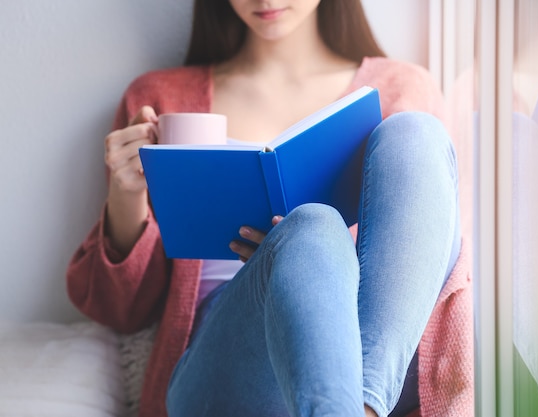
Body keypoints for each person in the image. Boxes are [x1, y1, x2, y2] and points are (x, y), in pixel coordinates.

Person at [66, 1, 462, 416]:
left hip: (369, 351)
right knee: (311, 226)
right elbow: (121, 312)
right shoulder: (159, 99)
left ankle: (359, 405)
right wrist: (126, 195)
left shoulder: (402, 86)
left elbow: (438, 269)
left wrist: (306, 270)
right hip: (227, 365)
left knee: (415, 134)